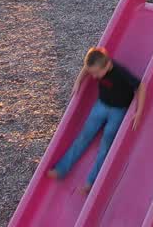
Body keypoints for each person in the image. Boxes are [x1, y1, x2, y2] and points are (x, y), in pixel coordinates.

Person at [46, 46, 143, 193]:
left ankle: (91, 183)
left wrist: (139, 111)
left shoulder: (120, 72)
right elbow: (87, 68)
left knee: (106, 144)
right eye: (93, 73)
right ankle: (61, 169)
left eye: (97, 73)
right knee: (84, 136)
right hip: (101, 106)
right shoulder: (97, 66)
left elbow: (141, 86)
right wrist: (78, 81)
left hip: (118, 111)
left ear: (108, 65)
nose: (94, 77)